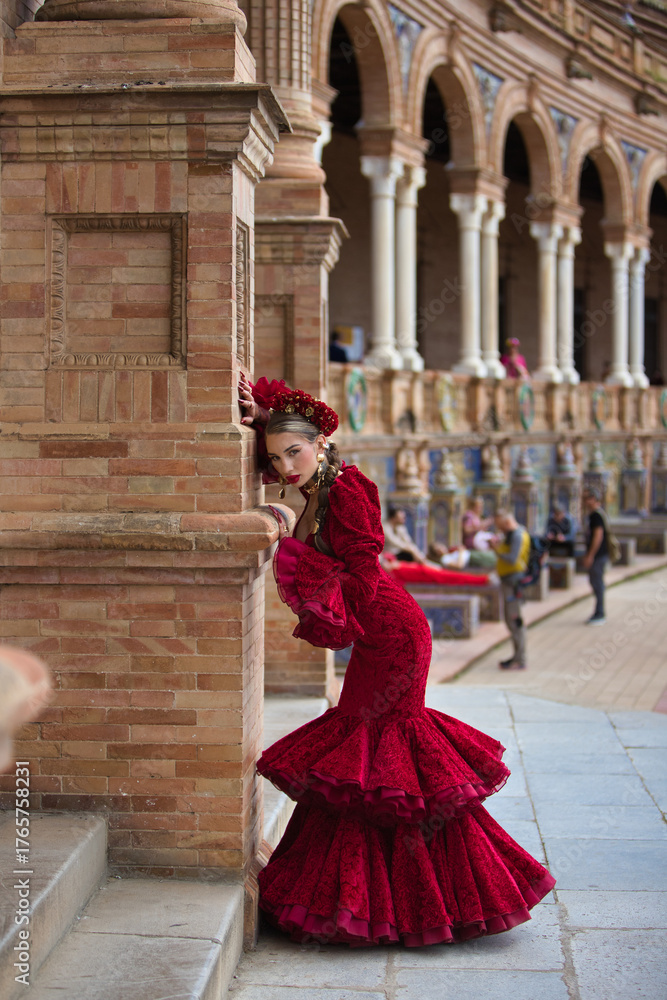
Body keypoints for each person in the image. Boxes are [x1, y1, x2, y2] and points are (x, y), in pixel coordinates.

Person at [238, 373, 555, 946]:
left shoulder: (347, 489)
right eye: (277, 457)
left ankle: (413, 903)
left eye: (295, 452)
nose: (285, 467)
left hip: (394, 634)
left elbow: (363, 570)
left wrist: (323, 596)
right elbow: (281, 450)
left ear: (321, 444)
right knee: (363, 759)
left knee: (379, 757)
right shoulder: (317, 477)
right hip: (381, 631)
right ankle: (362, 896)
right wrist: (262, 416)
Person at [491, 509, 531, 670]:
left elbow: (512, 559)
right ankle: (516, 656)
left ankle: (520, 659)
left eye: (501, 526)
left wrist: (496, 549)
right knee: (511, 619)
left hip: (513, 582)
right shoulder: (512, 534)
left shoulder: (517, 535)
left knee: (515, 619)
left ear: (507, 522)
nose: (500, 530)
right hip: (509, 581)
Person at [582, 486, 608, 625]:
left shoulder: (596, 516)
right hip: (598, 555)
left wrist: (590, 555)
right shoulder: (595, 514)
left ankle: (600, 613)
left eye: (586, 498)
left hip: (598, 555)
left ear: (593, 499)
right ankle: (599, 611)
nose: (584, 501)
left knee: (597, 583)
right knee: (596, 582)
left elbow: (598, 536)